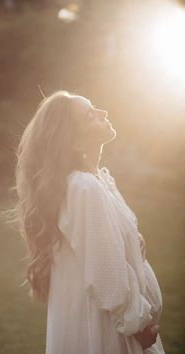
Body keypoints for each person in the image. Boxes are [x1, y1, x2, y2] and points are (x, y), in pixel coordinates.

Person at [11, 90, 165, 353]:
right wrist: (137, 324)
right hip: (107, 329)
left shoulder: (97, 182)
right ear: (74, 143)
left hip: (114, 321)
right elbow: (107, 273)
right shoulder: (83, 188)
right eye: (90, 116)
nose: (104, 113)